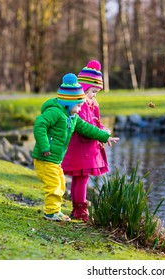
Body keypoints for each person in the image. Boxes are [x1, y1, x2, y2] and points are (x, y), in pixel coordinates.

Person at [32, 73, 119, 222]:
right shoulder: (55, 112)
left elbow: (87, 128)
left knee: (60, 184)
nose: (80, 109)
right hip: (45, 157)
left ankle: (55, 210)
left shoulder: (72, 117)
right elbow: (40, 125)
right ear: (68, 102)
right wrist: (45, 146)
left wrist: (105, 137)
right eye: (78, 105)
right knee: (54, 185)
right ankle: (51, 212)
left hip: (54, 159)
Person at [62, 60, 111, 222]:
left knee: (79, 179)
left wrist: (103, 129)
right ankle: (80, 211)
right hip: (81, 149)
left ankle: (77, 209)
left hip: (87, 148)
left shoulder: (91, 105)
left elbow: (95, 123)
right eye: (92, 91)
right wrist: (101, 134)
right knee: (81, 179)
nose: (94, 95)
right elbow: (84, 127)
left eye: (96, 92)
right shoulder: (80, 106)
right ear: (83, 88)